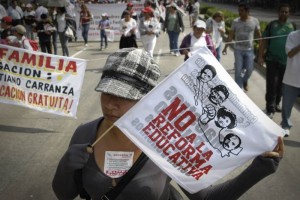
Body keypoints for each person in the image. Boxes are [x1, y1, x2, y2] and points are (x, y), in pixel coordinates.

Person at [52, 47, 284, 200]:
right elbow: (64, 194)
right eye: (107, 93)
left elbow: (204, 198)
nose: (111, 104)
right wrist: (66, 165)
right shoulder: (85, 134)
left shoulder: (168, 142)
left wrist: (258, 171)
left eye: (124, 96)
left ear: (147, 98)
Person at [257, 4, 295, 119]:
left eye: (286, 12)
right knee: (271, 84)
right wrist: (260, 56)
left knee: (281, 85)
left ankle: (277, 103)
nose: (284, 13)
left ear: (289, 14)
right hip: (272, 59)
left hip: (286, 61)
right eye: (282, 11)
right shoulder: (272, 25)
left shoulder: (292, 26)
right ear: (278, 12)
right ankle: (270, 107)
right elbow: (264, 41)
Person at [222, 3, 261, 92]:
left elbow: (259, 36)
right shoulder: (235, 22)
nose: (239, 12)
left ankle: (244, 80)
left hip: (250, 50)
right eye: (239, 10)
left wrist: (261, 51)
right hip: (238, 50)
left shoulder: (255, 21)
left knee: (250, 69)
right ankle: (238, 91)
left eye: (242, 11)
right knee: (238, 70)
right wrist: (225, 47)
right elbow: (230, 35)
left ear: (248, 11)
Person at [280, 29, 300, 137]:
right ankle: (286, 125)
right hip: (291, 78)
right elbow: (290, 53)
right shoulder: (293, 35)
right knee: (287, 106)